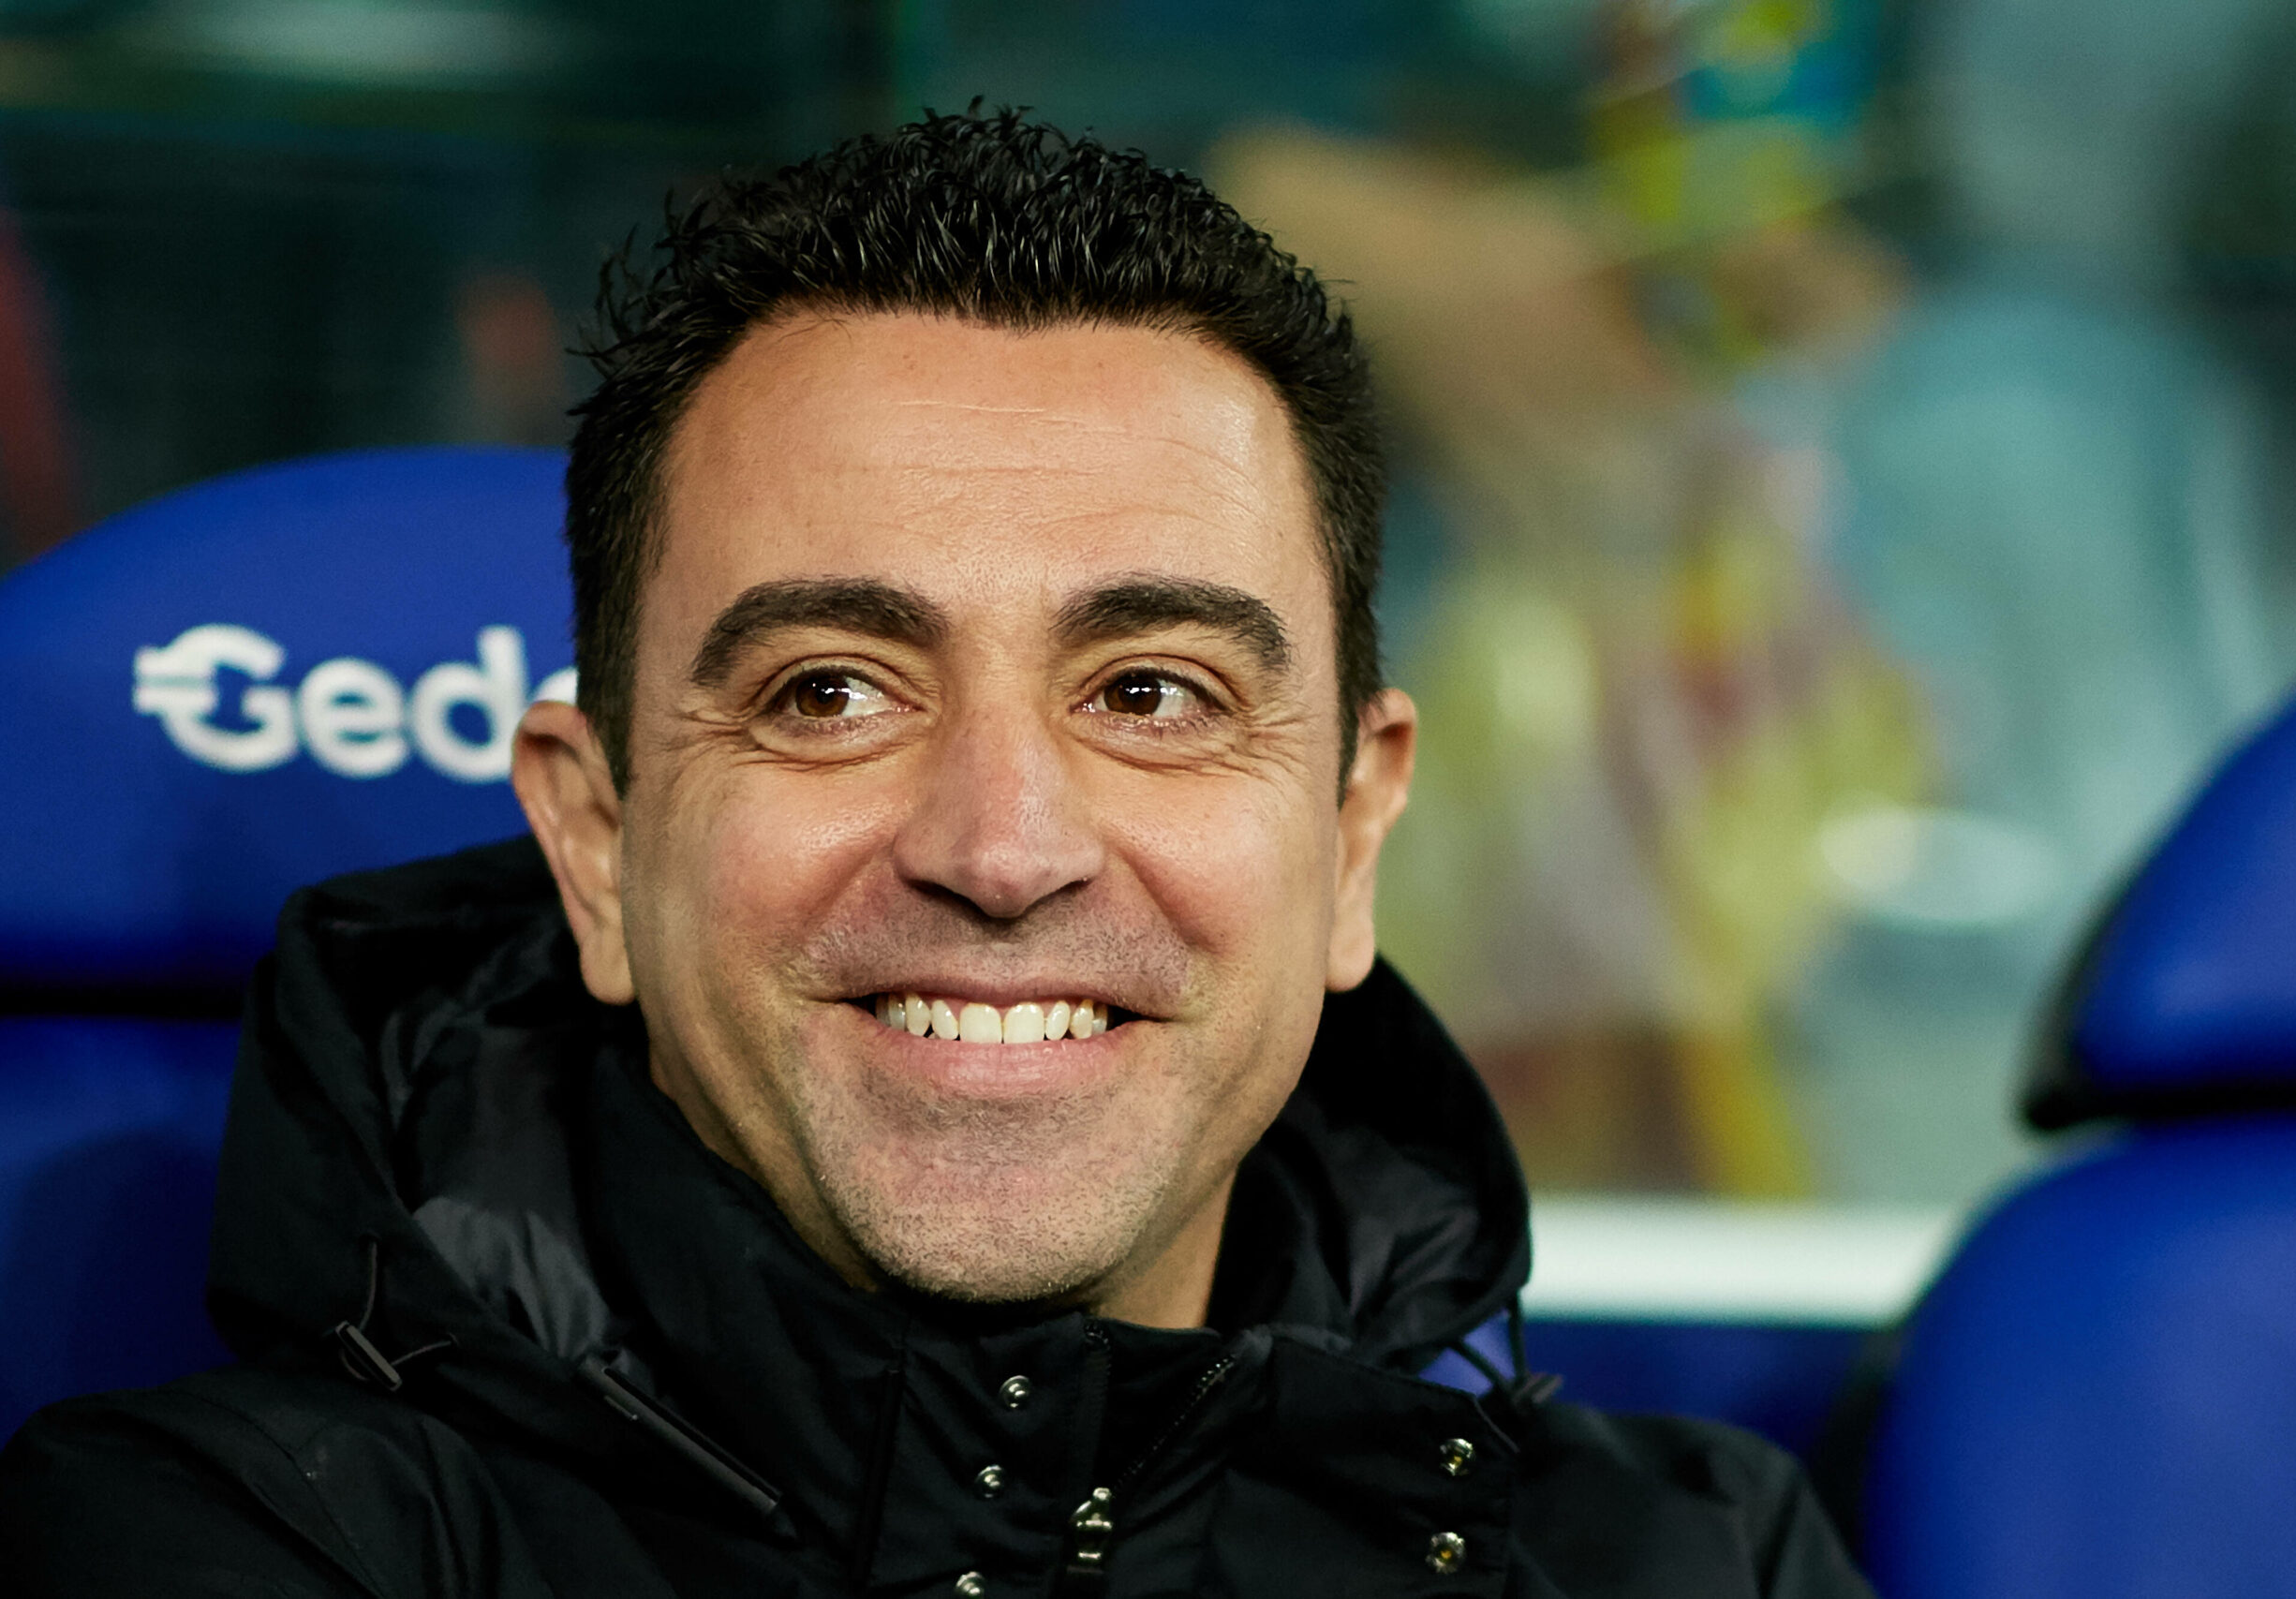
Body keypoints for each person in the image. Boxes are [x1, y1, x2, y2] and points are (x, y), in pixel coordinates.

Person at [0, 111, 1872, 1597]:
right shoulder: (227, 1542)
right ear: (595, 839)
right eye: (829, 691)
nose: (1003, 845)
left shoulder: (1693, 1558)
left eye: (1150, 692)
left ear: (1353, 824)